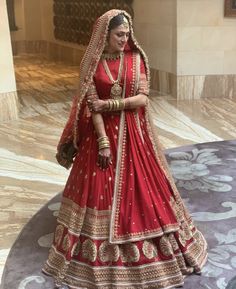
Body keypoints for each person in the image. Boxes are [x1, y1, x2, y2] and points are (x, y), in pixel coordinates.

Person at [43, 9, 207, 289]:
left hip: (134, 136)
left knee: (147, 189)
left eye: (127, 34)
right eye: (119, 34)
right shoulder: (92, 64)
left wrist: (111, 106)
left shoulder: (136, 59)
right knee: (97, 191)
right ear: (105, 35)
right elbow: (91, 106)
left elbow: (142, 99)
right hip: (102, 137)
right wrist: (103, 142)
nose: (125, 38)